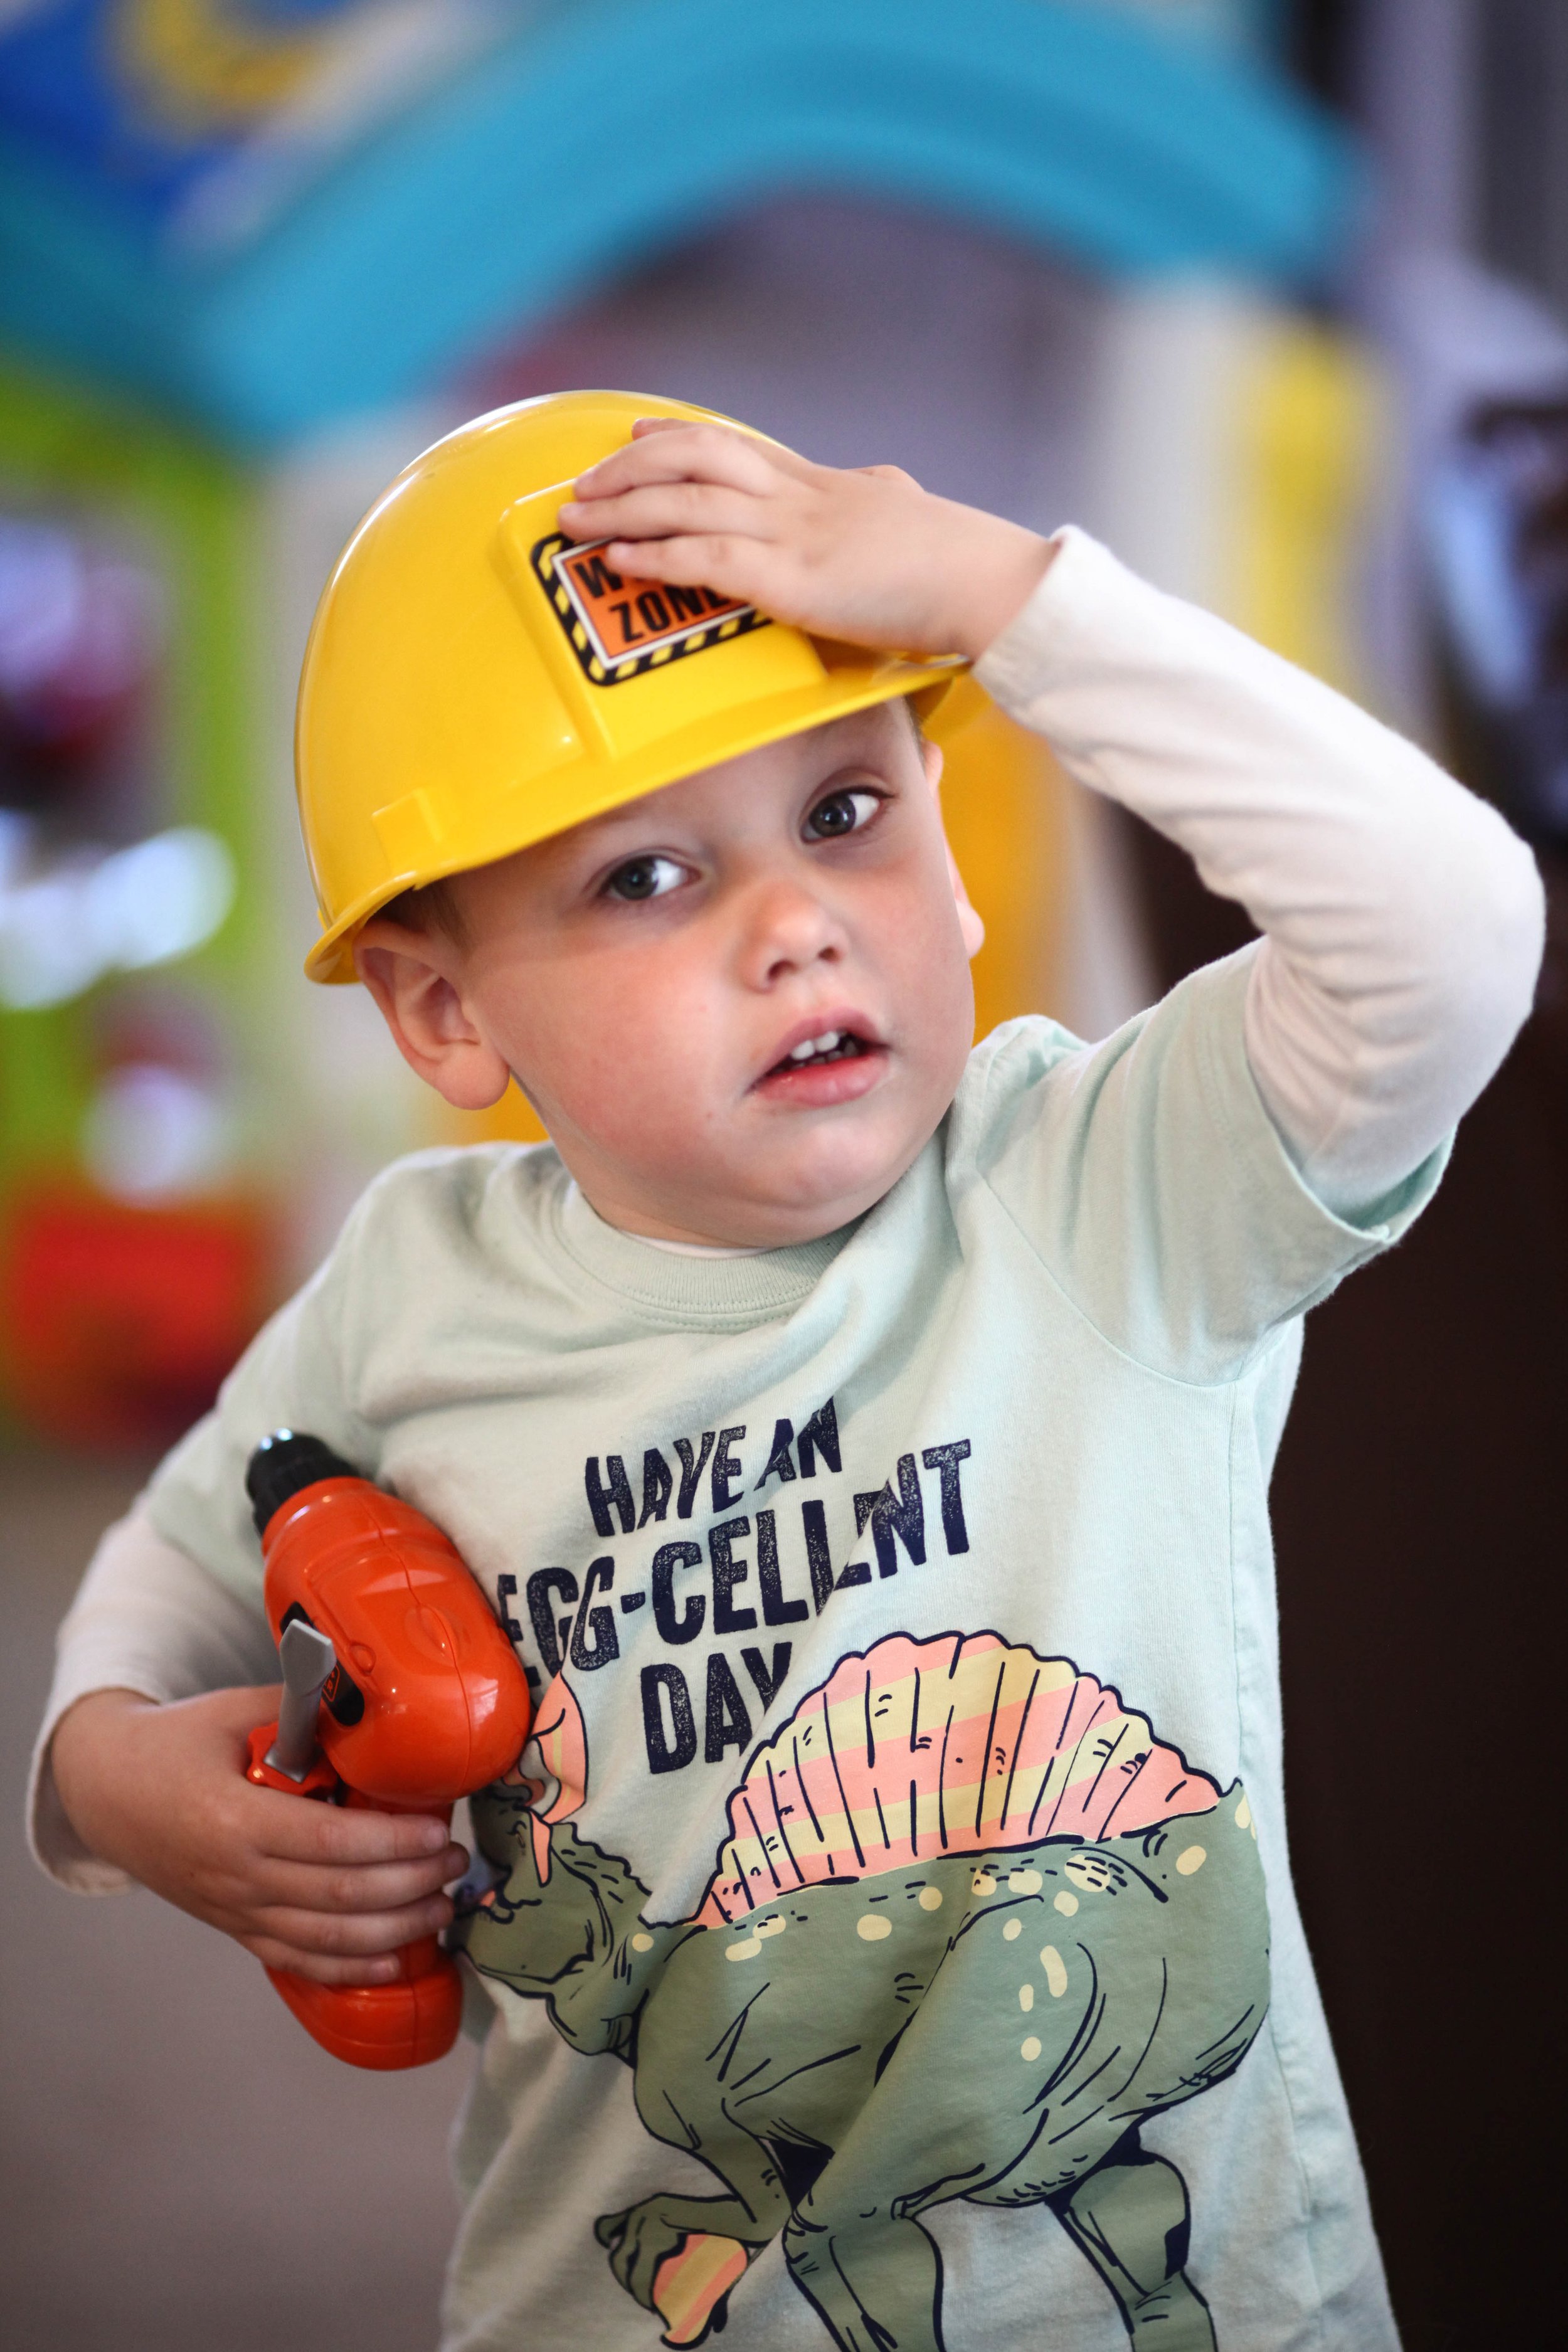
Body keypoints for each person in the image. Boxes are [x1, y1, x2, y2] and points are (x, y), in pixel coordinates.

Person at [31, 393, 1542, 2352]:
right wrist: (106, 1773)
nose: (795, 923)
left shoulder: (1105, 1193)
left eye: (844, 812)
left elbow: (1454, 930)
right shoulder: (410, 1288)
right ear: (441, 1005)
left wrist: (1007, 597)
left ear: (954, 844)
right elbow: (173, 1566)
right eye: (643, 879)